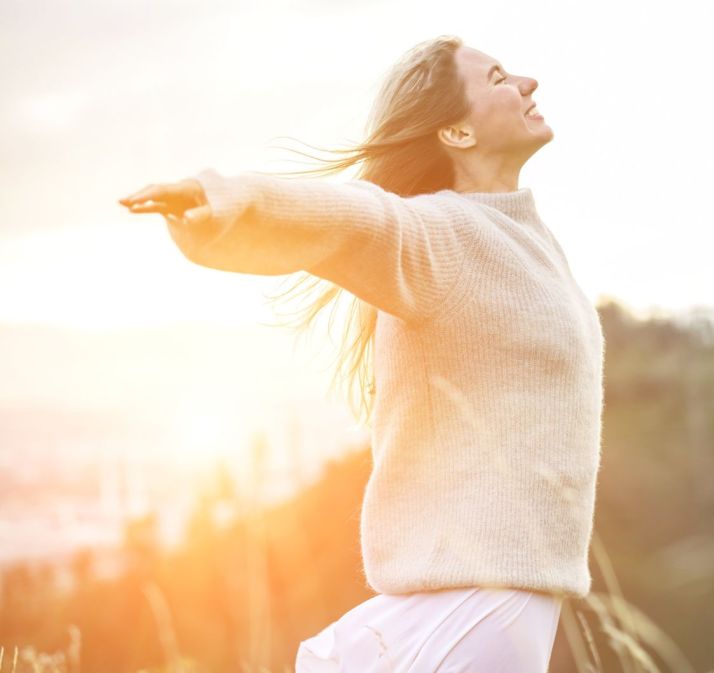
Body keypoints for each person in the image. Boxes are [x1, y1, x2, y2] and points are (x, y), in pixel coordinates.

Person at [119, 34, 605, 672]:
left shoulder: (531, 241)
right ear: (455, 134)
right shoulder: (441, 234)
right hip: (480, 603)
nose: (527, 83)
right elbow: (354, 218)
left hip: (504, 597)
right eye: (497, 78)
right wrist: (223, 199)